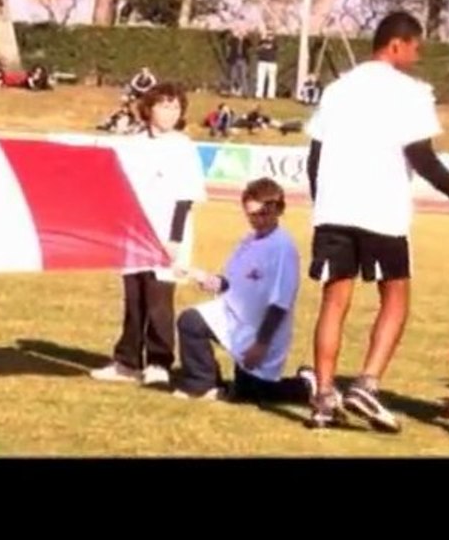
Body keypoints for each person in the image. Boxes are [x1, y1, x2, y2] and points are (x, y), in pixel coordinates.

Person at [304, 11, 449, 432]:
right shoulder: (410, 92)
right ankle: (367, 382)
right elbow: (424, 161)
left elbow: (314, 157)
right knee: (395, 296)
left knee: (334, 300)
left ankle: (324, 397)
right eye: (416, 47)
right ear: (397, 45)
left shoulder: (338, 89)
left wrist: (322, 203)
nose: (417, 56)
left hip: (334, 209)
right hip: (381, 211)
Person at [90, 82, 207, 387]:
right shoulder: (134, 143)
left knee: (159, 298)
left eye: (175, 107)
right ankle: (127, 360)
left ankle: (159, 361)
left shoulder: (182, 146)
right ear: (149, 108)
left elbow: (185, 196)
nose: (169, 112)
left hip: (167, 232)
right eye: (163, 105)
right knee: (134, 296)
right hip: (134, 230)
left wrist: (175, 239)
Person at [172, 178, 315, 404]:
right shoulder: (247, 241)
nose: (257, 221)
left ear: (278, 210)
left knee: (251, 393)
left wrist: (261, 344)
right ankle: (202, 383)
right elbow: (232, 283)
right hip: (232, 316)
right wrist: (209, 280)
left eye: (262, 214)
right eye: (252, 215)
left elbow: (281, 302)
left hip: (261, 329)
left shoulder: (283, 248)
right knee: (190, 321)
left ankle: (306, 385)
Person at [255, 31, 279, 99]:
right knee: (260, 79)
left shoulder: (275, 43)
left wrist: (266, 45)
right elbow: (257, 50)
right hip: (262, 62)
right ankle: (259, 94)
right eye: (268, 35)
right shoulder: (261, 42)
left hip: (272, 63)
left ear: (273, 36)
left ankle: (271, 95)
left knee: (272, 79)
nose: (269, 37)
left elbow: (275, 48)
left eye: (271, 35)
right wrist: (262, 42)